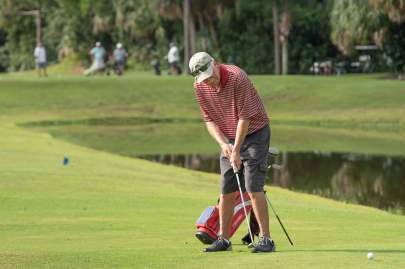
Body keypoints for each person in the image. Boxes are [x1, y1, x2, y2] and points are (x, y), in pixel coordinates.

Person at [189, 52, 275, 253]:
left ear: (216, 64)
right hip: (228, 137)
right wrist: (224, 145)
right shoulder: (199, 86)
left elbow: (245, 118)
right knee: (226, 189)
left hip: (255, 133)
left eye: (210, 75)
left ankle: (266, 240)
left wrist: (236, 149)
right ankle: (224, 239)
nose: (209, 81)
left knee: (253, 186)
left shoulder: (238, 77)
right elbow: (209, 120)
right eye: (204, 79)